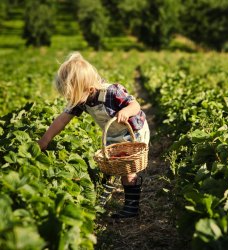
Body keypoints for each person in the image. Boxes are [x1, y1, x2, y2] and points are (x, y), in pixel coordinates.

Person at [38, 52, 150, 219]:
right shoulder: (81, 99)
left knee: (128, 169)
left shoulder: (112, 92)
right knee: (109, 165)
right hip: (112, 134)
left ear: (89, 89)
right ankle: (101, 202)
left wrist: (126, 111)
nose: (72, 100)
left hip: (132, 133)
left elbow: (135, 104)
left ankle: (131, 208)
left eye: (72, 96)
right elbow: (62, 120)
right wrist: (45, 140)